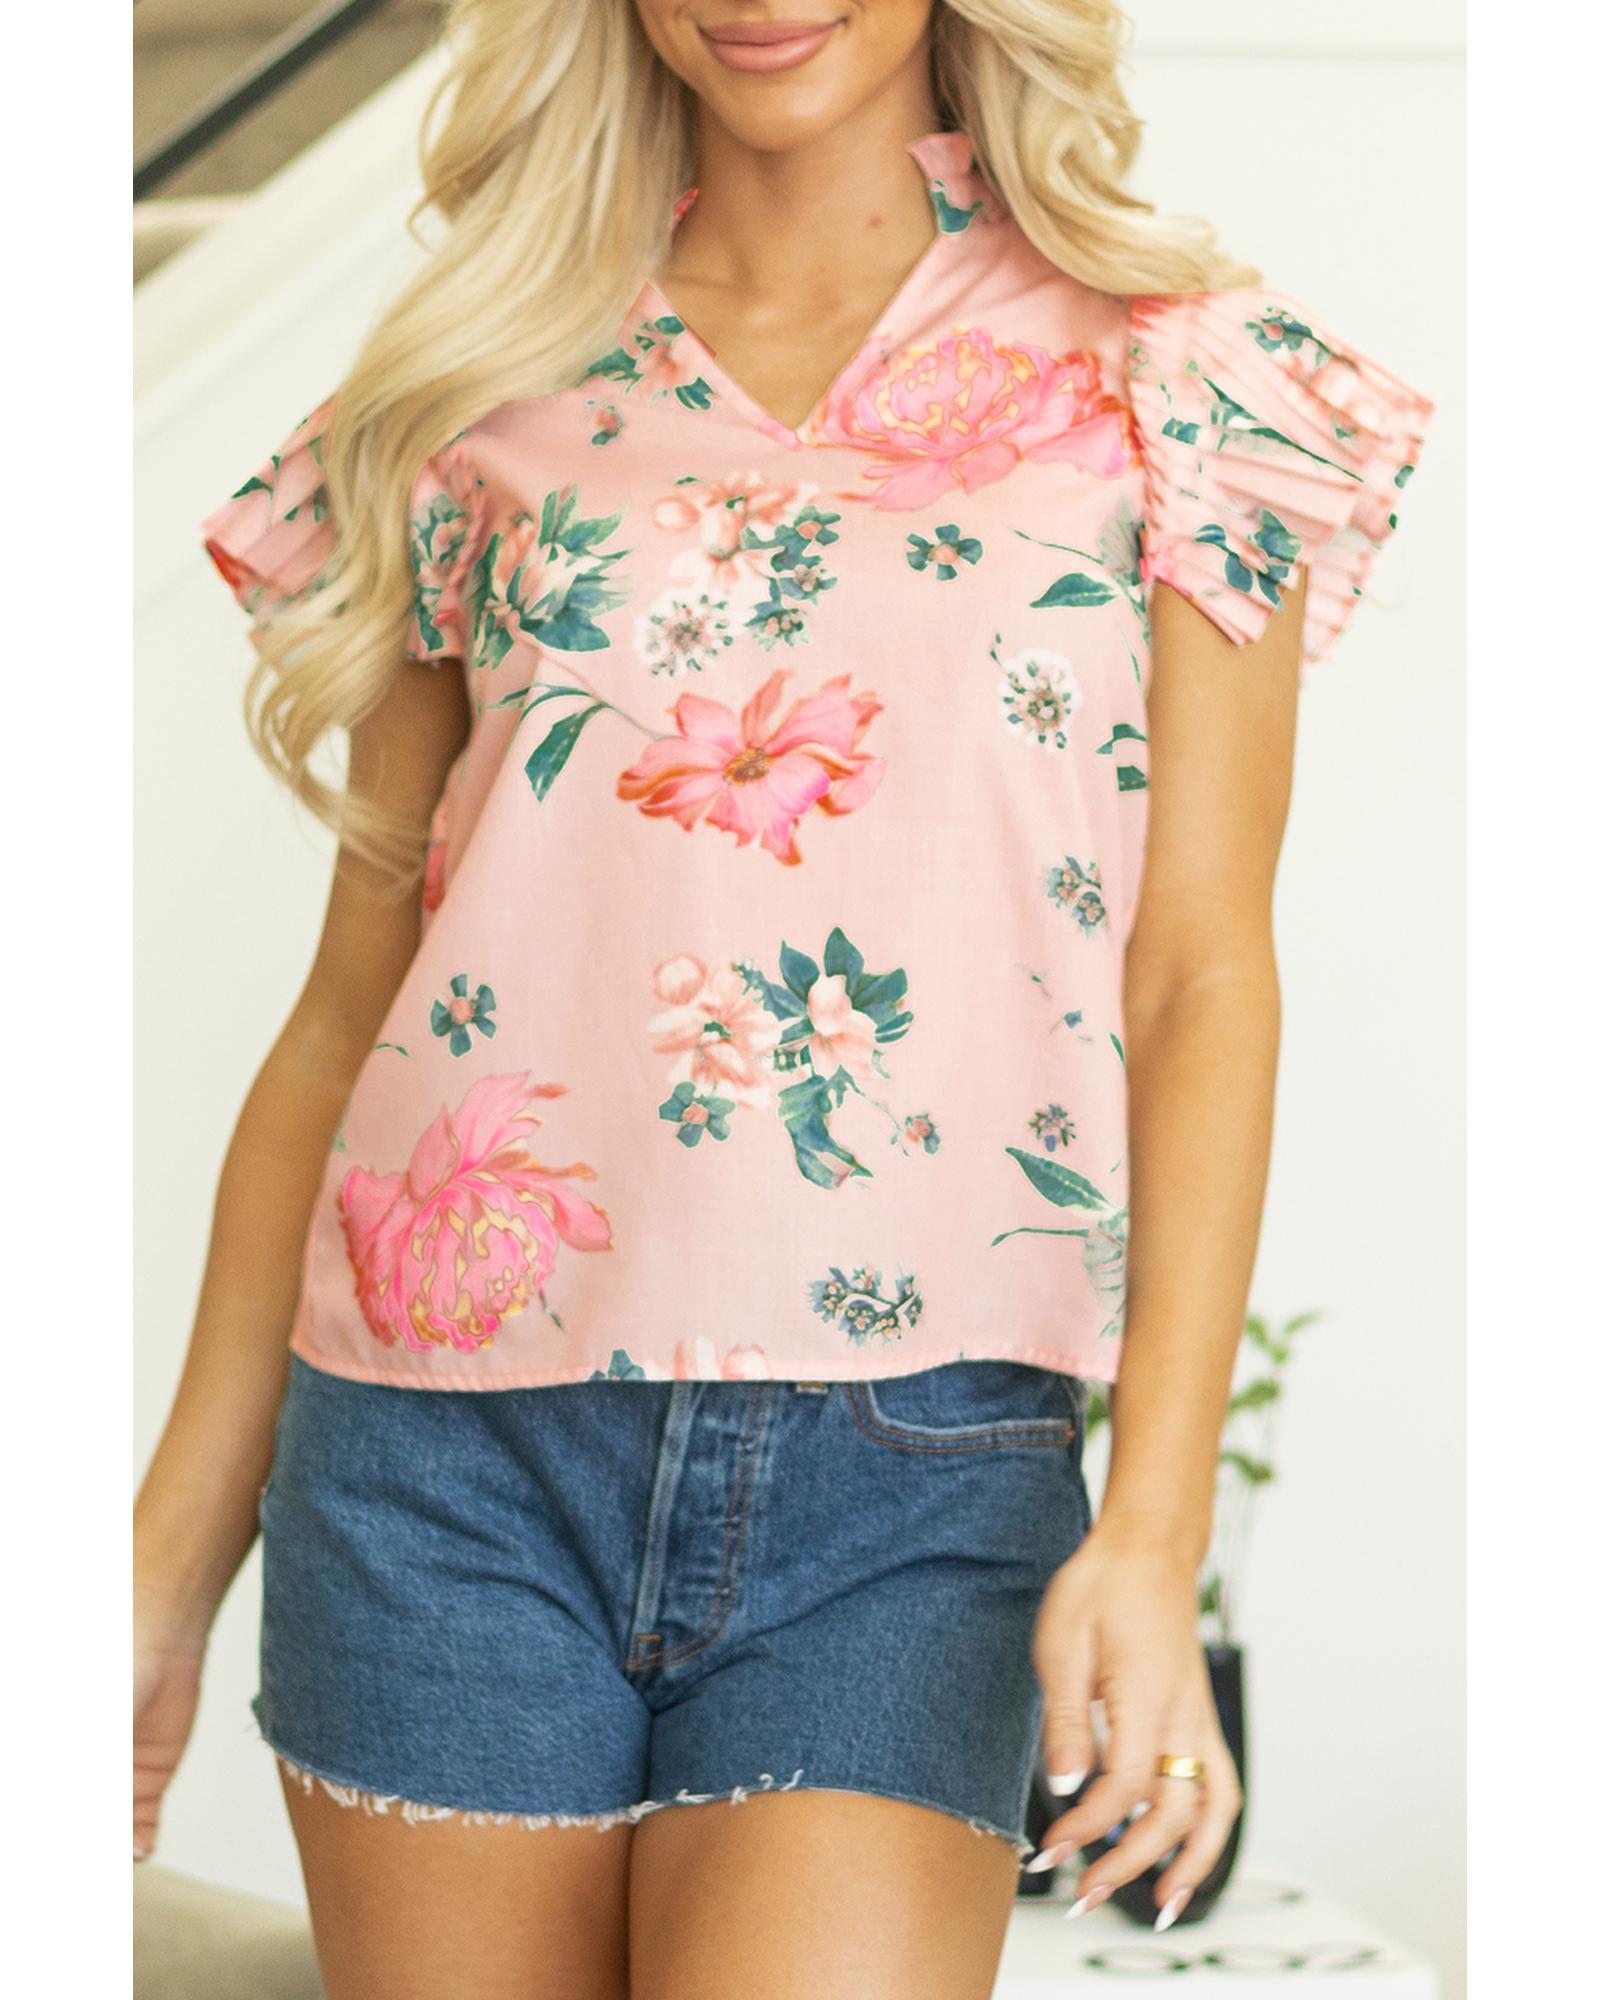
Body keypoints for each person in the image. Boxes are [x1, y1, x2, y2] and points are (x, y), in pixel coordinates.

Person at [132, 3, 1435, 1995]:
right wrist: (161, 1560)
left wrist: (1151, 1527)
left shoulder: (1182, 380)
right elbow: (351, 1006)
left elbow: (1197, 974)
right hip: (435, 1472)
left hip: (913, 1483)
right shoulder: (471, 384)